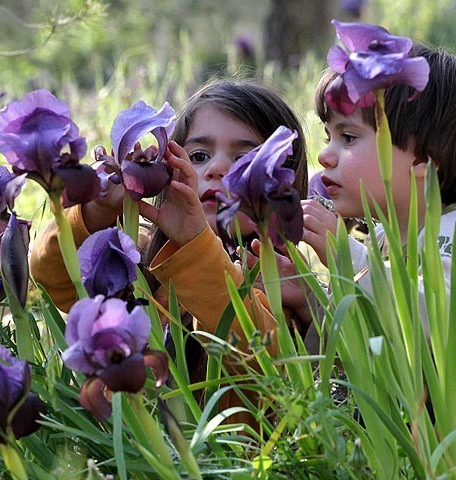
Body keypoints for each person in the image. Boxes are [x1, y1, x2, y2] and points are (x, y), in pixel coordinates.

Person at [29, 78, 310, 426]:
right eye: (198, 155)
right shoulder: (139, 262)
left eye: (244, 158)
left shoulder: (283, 283)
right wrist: (98, 210)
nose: (216, 168)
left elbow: (262, 360)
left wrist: (197, 244)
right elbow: (50, 274)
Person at [300, 44, 456, 468]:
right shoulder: (386, 240)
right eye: (328, 136)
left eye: (348, 137)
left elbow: (440, 319)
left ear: (425, 159)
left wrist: (345, 255)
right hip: (427, 422)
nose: (325, 155)